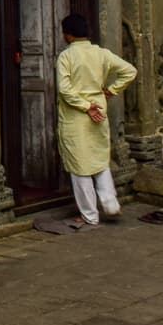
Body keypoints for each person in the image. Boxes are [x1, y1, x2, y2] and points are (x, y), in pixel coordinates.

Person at [56, 12, 136, 229]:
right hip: (99, 111)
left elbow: (65, 89)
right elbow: (130, 71)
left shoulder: (67, 56)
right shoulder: (101, 54)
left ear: (69, 35)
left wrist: (85, 106)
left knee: (79, 166)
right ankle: (110, 205)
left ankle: (89, 215)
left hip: (76, 117)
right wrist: (110, 91)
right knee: (100, 160)